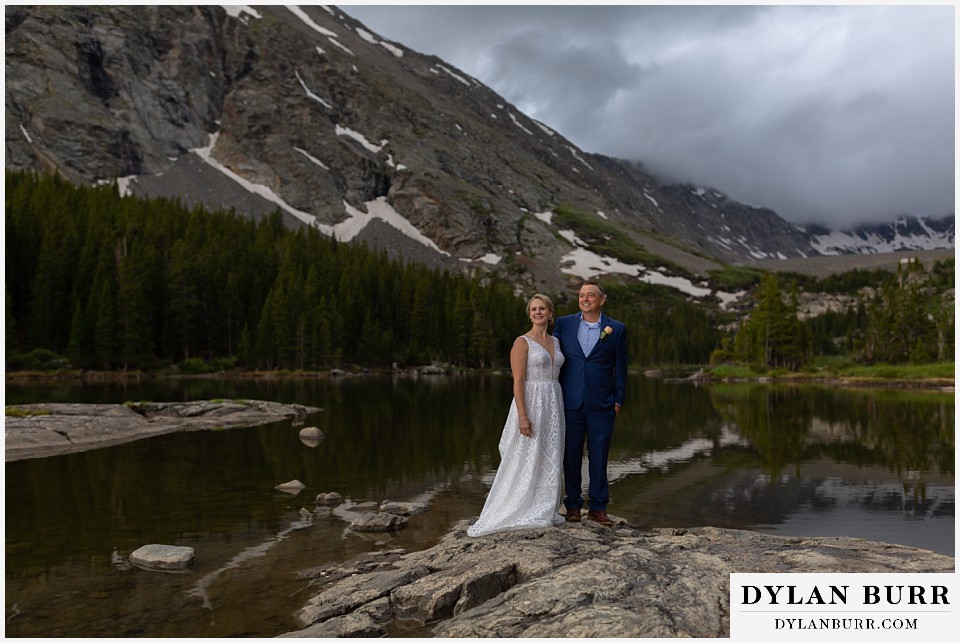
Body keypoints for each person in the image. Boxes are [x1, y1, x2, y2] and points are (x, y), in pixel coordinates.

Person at [467, 294, 566, 537]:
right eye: (533, 309)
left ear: (550, 313)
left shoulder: (556, 341)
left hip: (553, 401)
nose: (537, 312)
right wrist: (523, 415)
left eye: (542, 308)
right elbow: (518, 382)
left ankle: (544, 506)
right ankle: (520, 506)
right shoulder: (522, 342)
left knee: (550, 452)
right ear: (529, 314)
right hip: (531, 401)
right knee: (527, 453)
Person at [552, 281, 627, 526]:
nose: (585, 299)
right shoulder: (563, 324)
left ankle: (597, 508)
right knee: (571, 456)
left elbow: (621, 369)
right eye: (582, 295)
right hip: (569, 401)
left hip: (602, 404)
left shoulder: (616, 329)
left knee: (599, 456)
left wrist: (617, 400)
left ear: (601, 300)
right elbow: (551, 355)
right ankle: (572, 506)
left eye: (591, 295)